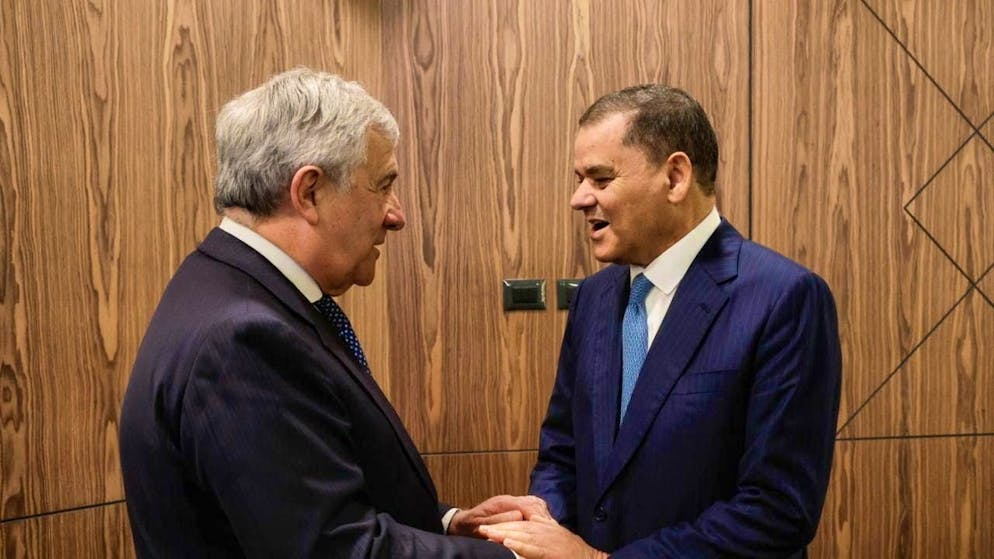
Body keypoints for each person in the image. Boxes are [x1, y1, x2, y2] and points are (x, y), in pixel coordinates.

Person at [119, 67, 544, 558]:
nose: (397, 214)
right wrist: (518, 557)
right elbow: (333, 550)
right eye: (383, 185)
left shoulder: (234, 289)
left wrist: (445, 525)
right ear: (309, 192)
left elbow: (304, 496)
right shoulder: (243, 339)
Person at [479, 85, 842, 558]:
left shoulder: (784, 298)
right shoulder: (593, 297)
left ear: (675, 177)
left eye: (600, 179)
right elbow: (562, 452)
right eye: (579, 178)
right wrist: (543, 528)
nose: (578, 198)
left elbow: (776, 509)